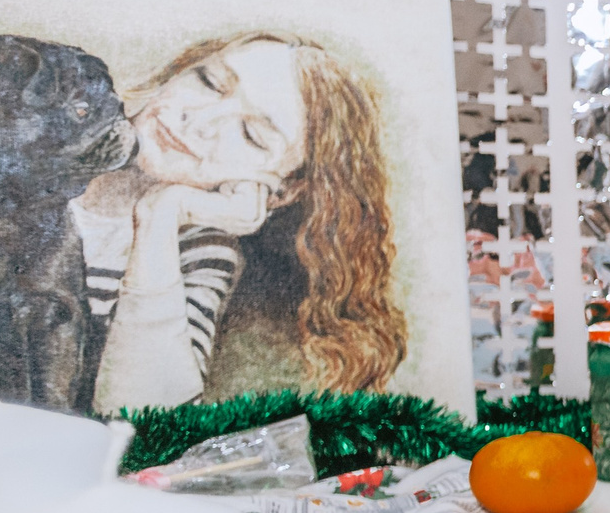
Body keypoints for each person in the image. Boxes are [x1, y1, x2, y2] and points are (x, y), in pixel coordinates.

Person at [71, 30, 407, 411]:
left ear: (283, 191)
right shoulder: (34, 140)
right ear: (176, 72)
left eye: (252, 135)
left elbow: (146, 422)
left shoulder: (201, 249)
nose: (199, 121)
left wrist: (161, 215)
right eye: (208, 82)